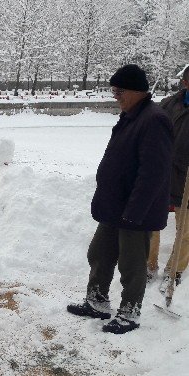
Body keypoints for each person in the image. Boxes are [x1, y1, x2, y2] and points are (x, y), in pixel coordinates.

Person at [66, 64, 172, 334]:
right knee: (99, 253)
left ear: (136, 91)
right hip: (115, 206)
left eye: (119, 90)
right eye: (114, 90)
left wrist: (135, 212)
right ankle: (97, 302)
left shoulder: (153, 120)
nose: (115, 96)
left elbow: (154, 173)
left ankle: (130, 313)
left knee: (131, 264)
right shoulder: (132, 115)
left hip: (135, 211)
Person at [147, 65, 189, 292]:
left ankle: (175, 270)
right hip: (162, 173)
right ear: (185, 83)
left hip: (188, 179)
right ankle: (148, 265)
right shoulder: (169, 104)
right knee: (151, 223)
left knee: (186, 229)